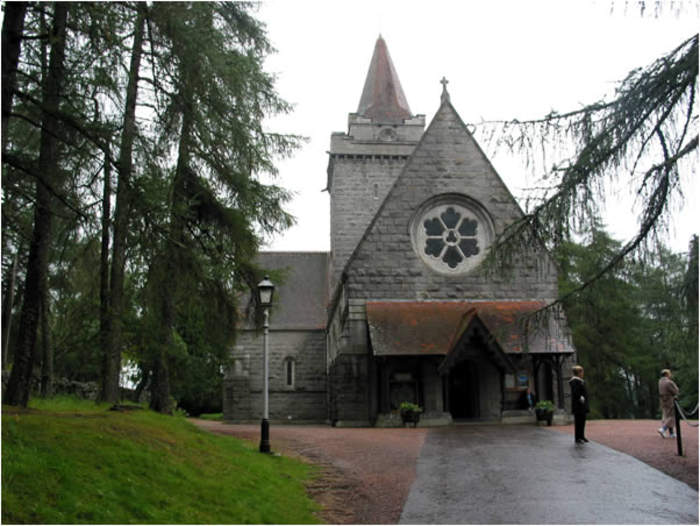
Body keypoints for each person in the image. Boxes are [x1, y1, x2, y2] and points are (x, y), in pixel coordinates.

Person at [569, 365, 589, 444]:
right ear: (578, 373)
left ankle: (582, 436)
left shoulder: (580, 381)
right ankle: (578, 438)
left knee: (582, 421)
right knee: (578, 422)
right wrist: (580, 397)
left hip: (582, 405)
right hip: (578, 405)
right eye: (582, 372)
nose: (583, 373)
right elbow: (575, 392)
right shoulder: (575, 381)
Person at [657, 369, 680, 439]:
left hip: (662, 401)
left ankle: (671, 433)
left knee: (666, 416)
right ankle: (663, 429)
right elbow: (676, 391)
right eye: (669, 373)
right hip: (669, 400)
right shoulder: (669, 382)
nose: (670, 375)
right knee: (672, 416)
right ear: (667, 374)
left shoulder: (660, 381)